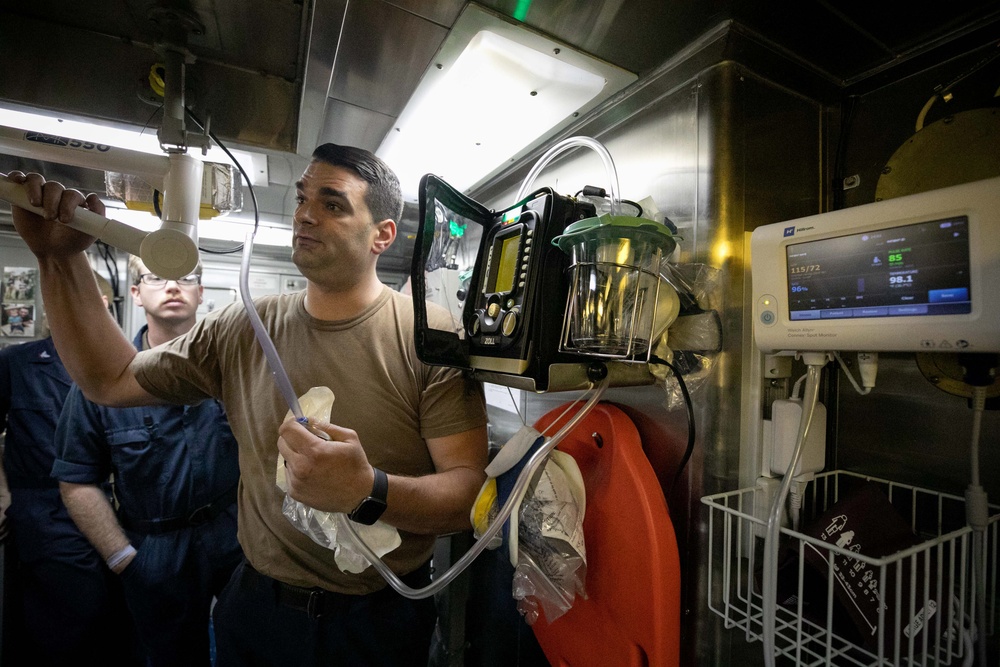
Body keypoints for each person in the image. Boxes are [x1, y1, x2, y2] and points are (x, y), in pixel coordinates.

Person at [6, 142, 489, 667]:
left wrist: (366, 491)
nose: (304, 213)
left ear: (383, 235)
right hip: (259, 610)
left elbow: (467, 494)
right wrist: (59, 258)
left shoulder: (428, 334)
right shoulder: (244, 327)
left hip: (376, 618)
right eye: (303, 198)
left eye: (332, 203)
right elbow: (109, 379)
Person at [52, 255, 243, 667]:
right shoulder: (101, 382)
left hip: (236, 539)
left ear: (201, 294)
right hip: (155, 548)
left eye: (186, 278)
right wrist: (122, 557)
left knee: (248, 647)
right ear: (136, 294)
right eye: (157, 278)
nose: (173, 286)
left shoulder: (236, 369)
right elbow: (77, 480)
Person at [0, 276, 141, 667]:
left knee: (122, 627)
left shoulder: (126, 365)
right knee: (67, 627)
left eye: (93, 301)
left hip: (118, 517)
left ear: (106, 307)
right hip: (48, 520)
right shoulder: (18, 363)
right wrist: (3, 496)